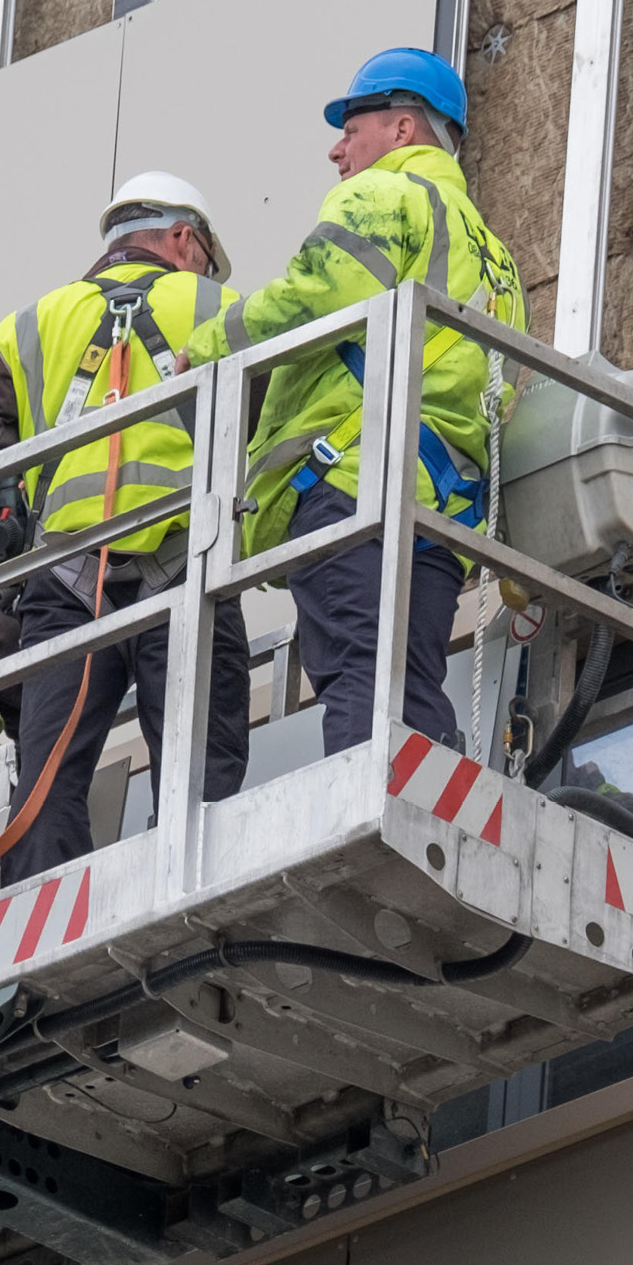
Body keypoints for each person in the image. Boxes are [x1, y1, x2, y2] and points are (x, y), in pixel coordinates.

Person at [180, 48, 528, 756]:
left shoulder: (385, 197)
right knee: (408, 678)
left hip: (353, 482)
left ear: (403, 129)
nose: (337, 149)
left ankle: (381, 831)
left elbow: (313, 295)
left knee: (361, 677)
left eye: (352, 128)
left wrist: (207, 348)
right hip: (441, 505)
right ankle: (430, 804)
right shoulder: (496, 255)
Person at [0, 173, 253, 884]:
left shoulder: (32, 323)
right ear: (182, 240)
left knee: (46, 778)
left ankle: (37, 930)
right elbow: (273, 406)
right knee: (203, 762)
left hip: (69, 583)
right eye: (199, 253)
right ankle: (196, 898)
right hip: (185, 565)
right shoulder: (217, 304)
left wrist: (3, 556)